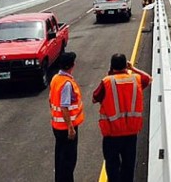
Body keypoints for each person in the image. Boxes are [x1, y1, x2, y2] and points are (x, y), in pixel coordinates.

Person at [93, 54, 152, 182]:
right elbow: (148, 78)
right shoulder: (135, 79)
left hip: (112, 134)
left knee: (112, 166)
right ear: (126, 65)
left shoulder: (107, 82)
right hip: (131, 133)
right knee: (128, 166)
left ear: (111, 66)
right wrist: (134, 68)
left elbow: (94, 98)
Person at [49, 52, 85, 182]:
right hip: (66, 128)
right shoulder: (67, 84)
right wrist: (70, 127)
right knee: (69, 162)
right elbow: (64, 107)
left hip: (57, 126)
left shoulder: (55, 79)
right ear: (72, 65)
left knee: (60, 158)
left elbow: (51, 101)